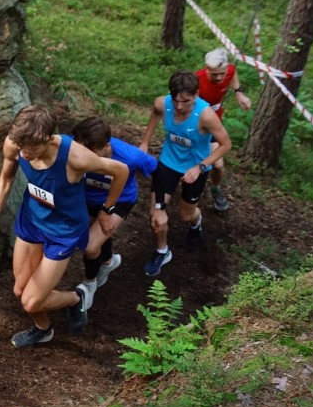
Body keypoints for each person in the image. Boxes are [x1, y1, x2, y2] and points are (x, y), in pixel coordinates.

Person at [0, 105, 128, 346]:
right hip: (32, 221)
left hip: (63, 231)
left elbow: (121, 170)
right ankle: (44, 329)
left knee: (30, 301)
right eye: (21, 146)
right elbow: (6, 177)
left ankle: (75, 298)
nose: (24, 154)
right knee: (19, 291)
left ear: (48, 139)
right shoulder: (16, 144)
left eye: (31, 148)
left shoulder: (75, 156)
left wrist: (107, 210)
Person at [138, 70, 232, 277]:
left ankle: (196, 222)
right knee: (157, 214)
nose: (179, 107)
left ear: (196, 94)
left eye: (186, 101)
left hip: (196, 170)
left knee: (185, 214)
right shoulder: (164, 103)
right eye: (176, 100)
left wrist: (200, 166)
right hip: (167, 165)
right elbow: (155, 113)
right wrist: (145, 142)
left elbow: (225, 145)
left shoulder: (206, 115)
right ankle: (162, 251)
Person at [71, 116, 158, 306]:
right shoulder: (74, 144)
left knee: (90, 246)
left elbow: (159, 173)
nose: (82, 156)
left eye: (89, 152)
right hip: (87, 198)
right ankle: (109, 262)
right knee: (95, 233)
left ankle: (89, 285)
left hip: (119, 201)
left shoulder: (131, 156)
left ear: (105, 146)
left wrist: (158, 206)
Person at [196, 47, 252, 211]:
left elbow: (233, 74)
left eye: (222, 73)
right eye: (214, 74)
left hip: (215, 124)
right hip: (196, 126)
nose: (219, 77)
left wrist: (238, 92)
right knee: (195, 160)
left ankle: (215, 188)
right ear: (207, 68)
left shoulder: (229, 70)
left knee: (218, 166)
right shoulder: (197, 79)